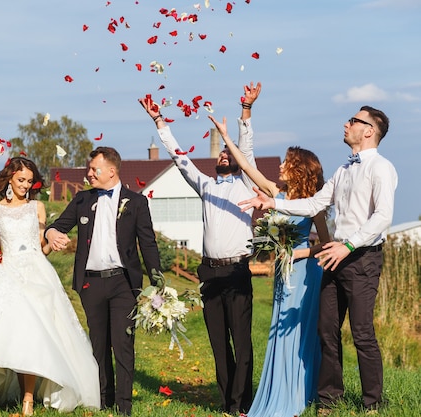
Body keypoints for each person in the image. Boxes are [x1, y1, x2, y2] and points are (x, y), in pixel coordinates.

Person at [238, 106, 397, 413]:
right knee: (327, 330)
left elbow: (383, 217)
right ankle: (329, 399)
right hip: (335, 257)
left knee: (362, 333)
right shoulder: (344, 170)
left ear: (368, 131)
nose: (346, 123)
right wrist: (273, 203)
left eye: (353, 120)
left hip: (362, 258)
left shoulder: (381, 168)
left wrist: (347, 245)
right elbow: (314, 203)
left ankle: (373, 404)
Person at [138, 82, 261, 414]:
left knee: (242, 342)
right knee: (219, 343)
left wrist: (245, 111)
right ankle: (226, 403)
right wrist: (159, 122)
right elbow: (180, 159)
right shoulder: (205, 185)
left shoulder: (247, 183)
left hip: (237, 271)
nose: (223, 155)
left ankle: (242, 403)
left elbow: (246, 150)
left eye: (227, 153)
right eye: (221, 152)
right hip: (210, 272)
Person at [0, 156, 101, 416]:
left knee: (35, 334)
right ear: (9, 178)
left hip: (36, 274)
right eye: (21, 180)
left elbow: (40, 247)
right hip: (6, 273)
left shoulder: (38, 207)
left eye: (29, 181)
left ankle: (28, 400)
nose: (25, 185)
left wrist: (53, 244)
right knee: (15, 334)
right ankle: (11, 393)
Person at [210, 114, 331, 417]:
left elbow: (326, 244)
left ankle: (301, 394)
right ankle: (278, 391)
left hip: (304, 273)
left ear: (299, 169)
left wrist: (299, 255)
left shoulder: (314, 201)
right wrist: (226, 137)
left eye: (286, 162)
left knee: (299, 331)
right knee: (279, 332)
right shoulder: (276, 193)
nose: (279, 166)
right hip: (283, 272)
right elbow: (248, 167)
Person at [45, 146, 163, 416]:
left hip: (123, 282)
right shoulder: (82, 200)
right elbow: (58, 225)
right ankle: (103, 399)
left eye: (93, 169)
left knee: (122, 343)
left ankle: (124, 405)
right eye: (89, 169)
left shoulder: (136, 202)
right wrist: (51, 234)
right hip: (91, 283)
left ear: (111, 171)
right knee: (98, 343)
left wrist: (158, 282)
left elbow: (148, 243)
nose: (88, 174)